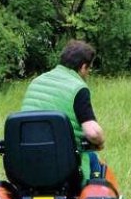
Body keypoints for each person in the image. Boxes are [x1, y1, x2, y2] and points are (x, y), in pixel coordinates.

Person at [21, 40, 105, 183]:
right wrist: (100, 143)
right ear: (84, 67)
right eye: (89, 68)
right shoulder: (78, 88)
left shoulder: (36, 82)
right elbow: (93, 132)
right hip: (66, 169)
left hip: (29, 163)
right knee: (93, 159)